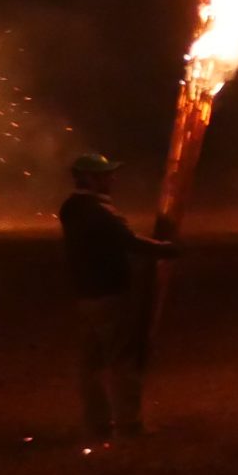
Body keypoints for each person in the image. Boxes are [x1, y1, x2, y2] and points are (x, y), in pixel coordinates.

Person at [58, 153, 177, 438]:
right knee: (122, 360)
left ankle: (96, 424)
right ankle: (128, 425)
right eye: (105, 175)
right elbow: (129, 241)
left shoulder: (71, 208)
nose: (112, 179)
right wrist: (168, 249)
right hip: (109, 293)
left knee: (90, 364)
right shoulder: (98, 212)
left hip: (85, 294)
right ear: (88, 178)